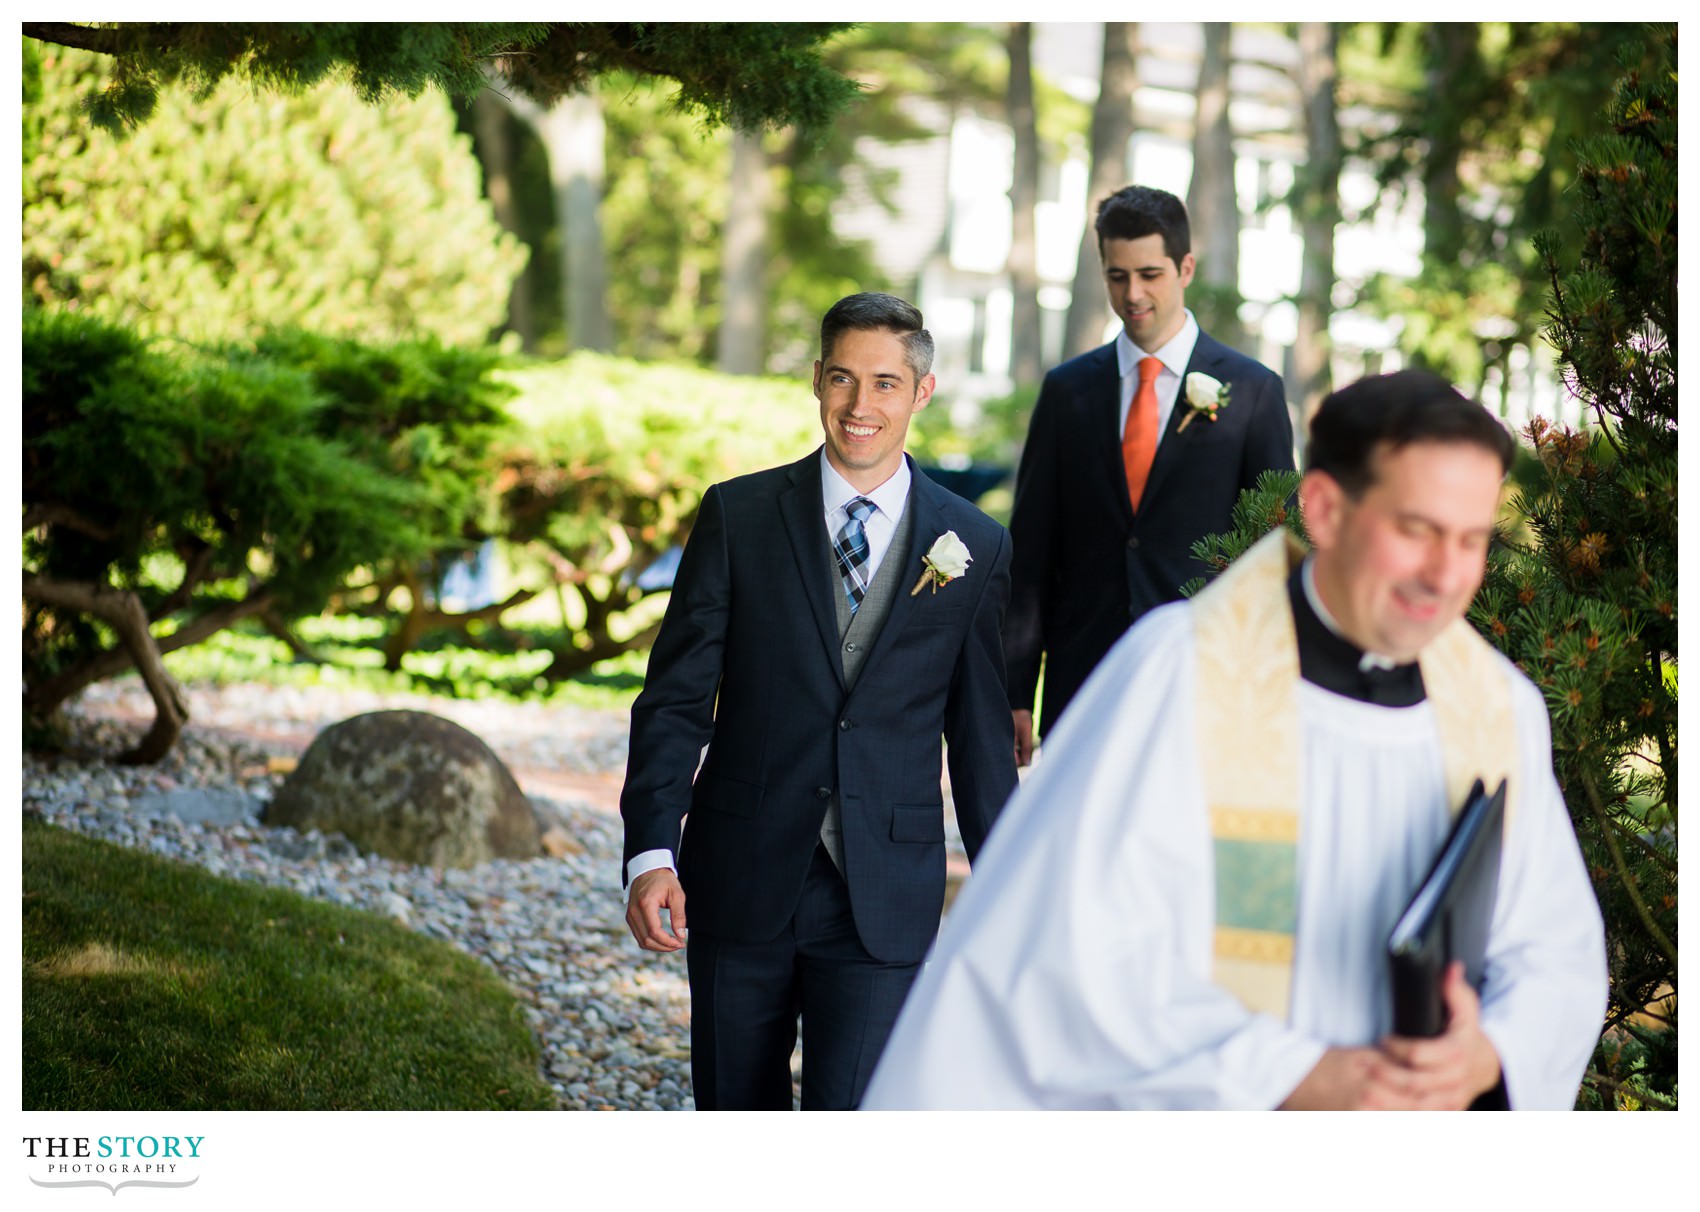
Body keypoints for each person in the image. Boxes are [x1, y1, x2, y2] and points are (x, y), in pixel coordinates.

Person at [863, 370, 1608, 1110]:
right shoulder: (1180, 674)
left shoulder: (1498, 710)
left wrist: (1489, 1053)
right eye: (1416, 530)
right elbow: (1073, 955)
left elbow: (1554, 950)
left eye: (1472, 539)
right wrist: (1289, 1075)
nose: (1445, 574)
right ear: (1323, 509)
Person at [620, 291, 1018, 1110]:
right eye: (842, 379)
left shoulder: (975, 545)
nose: (860, 406)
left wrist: (1012, 885)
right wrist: (651, 853)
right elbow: (676, 700)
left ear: (922, 392)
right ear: (815, 381)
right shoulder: (739, 516)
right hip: (739, 877)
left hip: (886, 891)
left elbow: (979, 741)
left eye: (883, 383)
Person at [1004, 184, 1295, 765]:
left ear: (1185, 267)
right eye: (1116, 276)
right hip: (1084, 678)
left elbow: (1277, 550)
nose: (1132, 294)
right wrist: (1015, 689)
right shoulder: (1067, 392)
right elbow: (1032, 550)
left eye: (1149, 274)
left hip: (1204, 679)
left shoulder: (1255, 391)